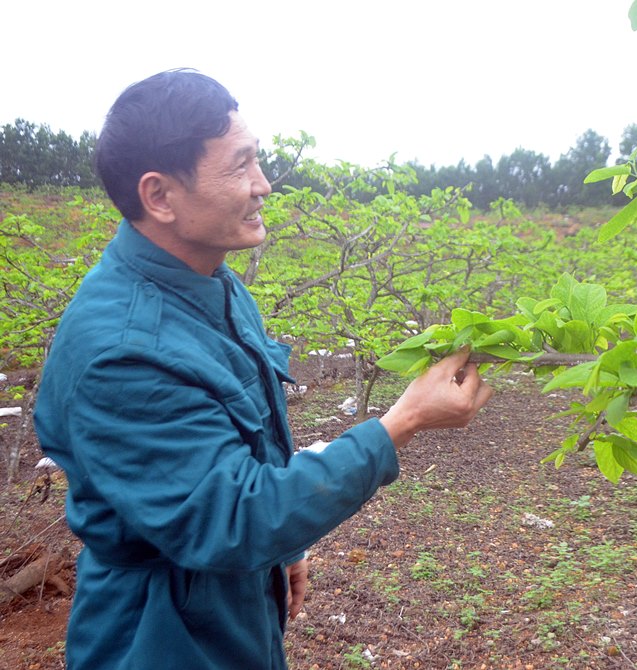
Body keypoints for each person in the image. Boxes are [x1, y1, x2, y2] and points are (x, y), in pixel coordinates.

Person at [33, 69, 492, 670]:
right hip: (159, 635)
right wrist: (401, 422)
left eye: (259, 160)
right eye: (240, 165)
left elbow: (235, 460)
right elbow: (226, 518)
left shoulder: (214, 284)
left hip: (229, 598)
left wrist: (282, 548)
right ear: (160, 196)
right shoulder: (122, 352)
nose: (264, 185)